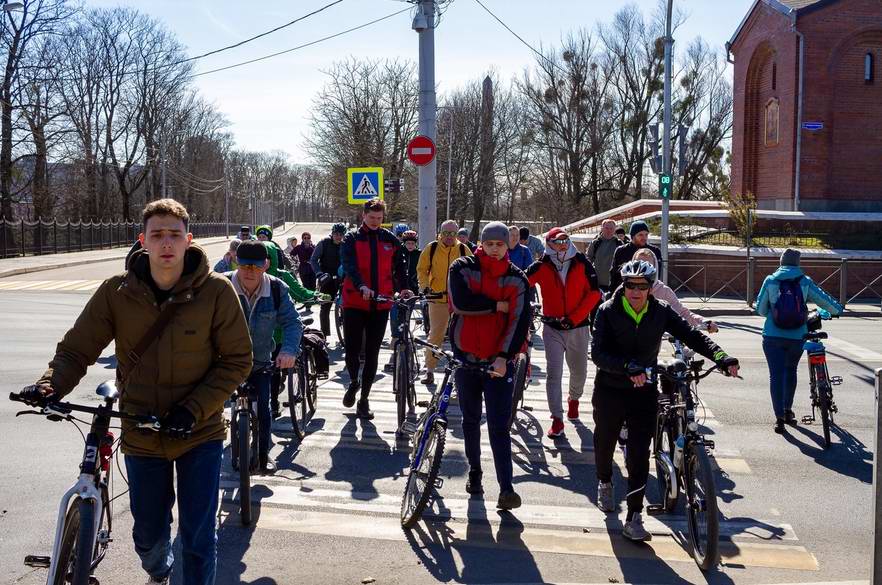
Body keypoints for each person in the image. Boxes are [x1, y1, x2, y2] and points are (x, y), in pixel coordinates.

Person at [18, 199, 252, 585]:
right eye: (157, 235)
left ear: (189, 240)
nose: (166, 243)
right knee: (148, 537)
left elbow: (237, 360)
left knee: (197, 539)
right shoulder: (116, 292)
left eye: (174, 235)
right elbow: (78, 350)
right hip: (142, 432)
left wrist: (193, 409)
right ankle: (159, 572)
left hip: (200, 433)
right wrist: (49, 385)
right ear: (142, 240)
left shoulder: (216, 292)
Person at [591, 260, 739, 542]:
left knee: (637, 454)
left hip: (644, 390)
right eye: (630, 286)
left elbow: (692, 335)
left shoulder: (660, 311)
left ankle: (634, 517)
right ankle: (605, 481)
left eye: (642, 287)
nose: (635, 291)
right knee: (605, 443)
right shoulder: (607, 311)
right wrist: (627, 367)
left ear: (651, 288)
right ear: (623, 286)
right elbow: (597, 354)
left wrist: (721, 357)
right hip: (610, 387)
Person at [448, 221, 531, 510]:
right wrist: (496, 305)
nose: (494, 249)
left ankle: (507, 488)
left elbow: (519, 320)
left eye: (500, 244)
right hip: (466, 358)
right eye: (490, 244)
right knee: (470, 421)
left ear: (508, 245)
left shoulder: (517, 278)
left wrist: (504, 357)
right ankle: (475, 472)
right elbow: (460, 303)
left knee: (499, 426)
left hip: (498, 364)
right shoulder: (462, 267)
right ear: (481, 243)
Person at [227, 241, 303, 473]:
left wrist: (288, 350)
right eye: (245, 265)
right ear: (236, 263)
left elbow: (292, 322)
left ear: (266, 265)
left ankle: (262, 455)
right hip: (226, 362)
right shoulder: (221, 286)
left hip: (260, 360)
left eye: (256, 266)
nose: (250, 271)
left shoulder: (277, 289)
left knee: (264, 406)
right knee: (208, 411)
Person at [755, 248, 842, 433]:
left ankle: (778, 418)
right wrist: (837, 310)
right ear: (797, 263)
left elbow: (761, 310)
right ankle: (788, 412)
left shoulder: (771, 280)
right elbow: (824, 301)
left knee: (775, 376)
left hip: (772, 337)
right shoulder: (804, 281)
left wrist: (774, 312)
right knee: (790, 370)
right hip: (797, 337)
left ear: (781, 262)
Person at [526, 227, 602, 438]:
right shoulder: (542, 265)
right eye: (557, 241)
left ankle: (574, 399)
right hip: (552, 328)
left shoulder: (581, 262)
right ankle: (557, 419)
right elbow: (521, 284)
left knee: (579, 372)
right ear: (548, 244)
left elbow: (595, 293)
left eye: (565, 240)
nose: (562, 244)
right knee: (554, 374)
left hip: (578, 327)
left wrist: (575, 318)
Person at [340, 198, 412, 418]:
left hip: (380, 303)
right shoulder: (352, 238)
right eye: (371, 218)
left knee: (373, 353)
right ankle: (354, 381)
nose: (375, 222)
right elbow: (349, 266)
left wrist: (406, 288)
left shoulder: (390, 239)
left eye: (379, 218)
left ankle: (364, 400)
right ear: (364, 216)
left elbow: (400, 269)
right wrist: (361, 285)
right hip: (355, 301)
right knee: (352, 349)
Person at [416, 219, 473, 384]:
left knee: (461, 336)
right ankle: (430, 370)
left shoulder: (463, 249)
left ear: (457, 234)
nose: (449, 237)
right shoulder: (432, 248)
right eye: (446, 233)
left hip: (459, 302)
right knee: (436, 335)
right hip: (437, 299)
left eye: (453, 234)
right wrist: (425, 287)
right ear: (440, 233)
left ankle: (460, 372)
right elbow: (422, 269)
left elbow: (472, 271)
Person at [632, 248, 718, 332]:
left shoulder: (664, 291)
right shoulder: (624, 289)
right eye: (638, 264)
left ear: (655, 268)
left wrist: (703, 321)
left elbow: (682, 313)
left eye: (648, 265)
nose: (642, 269)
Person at [385, 230, 422, 372]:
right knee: (394, 317)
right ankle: (395, 342)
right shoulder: (398, 254)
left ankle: (404, 344)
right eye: (408, 243)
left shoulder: (419, 255)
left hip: (412, 291)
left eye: (413, 243)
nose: (410, 246)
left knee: (405, 318)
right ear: (404, 243)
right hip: (396, 291)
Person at [311, 223, 347, 338]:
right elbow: (313, 260)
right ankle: (324, 335)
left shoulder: (346, 245)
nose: (338, 236)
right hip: (327, 277)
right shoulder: (324, 243)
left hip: (342, 278)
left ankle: (347, 333)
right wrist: (319, 273)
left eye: (341, 234)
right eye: (335, 234)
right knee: (325, 306)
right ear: (332, 233)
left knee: (347, 306)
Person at [608, 220, 662, 291]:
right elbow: (613, 275)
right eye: (640, 235)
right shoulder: (621, 251)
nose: (644, 238)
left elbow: (657, 275)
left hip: (647, 292)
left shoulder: (654, 251)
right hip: (624, 291)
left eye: (646, 234)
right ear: (633, 236)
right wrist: (612, 293)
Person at [586, 219, 624, 294]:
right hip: (597, 284)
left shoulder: (619, 243)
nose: (609, 231)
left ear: (614, 230)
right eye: (606, 228)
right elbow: (588, 260)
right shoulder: (596, 243)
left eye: (611, 228)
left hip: (614, 284)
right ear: (602, 229)